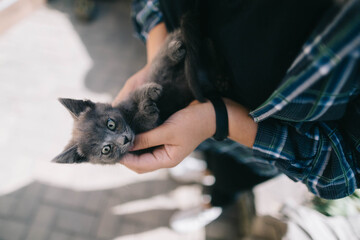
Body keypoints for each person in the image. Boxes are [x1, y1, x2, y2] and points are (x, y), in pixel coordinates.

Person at [113, 0, 360, 231]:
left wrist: (217, 120)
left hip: (251, 138)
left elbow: (344, 168)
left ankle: (213, 204)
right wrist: (158, 65)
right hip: (186, 101)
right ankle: (204, 168)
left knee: (230, 178)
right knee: (204, 152)